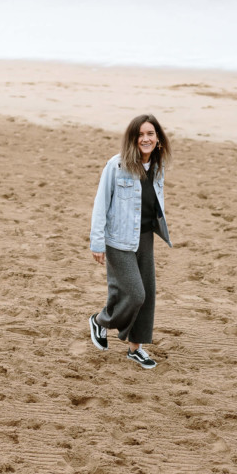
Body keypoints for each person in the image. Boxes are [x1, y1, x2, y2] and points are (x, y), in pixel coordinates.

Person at [88, 114, 172, 369]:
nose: (145, 139)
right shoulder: (117, 165)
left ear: (158, 139)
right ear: (133, 139)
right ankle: (100, 321)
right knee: (135, 294)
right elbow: (101, 203)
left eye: (150, 134)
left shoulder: (157, 167)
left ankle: (136, 348)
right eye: (140, 135)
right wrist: (98, 241)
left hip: (145, 237)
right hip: (118, 239)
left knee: (147, 296)